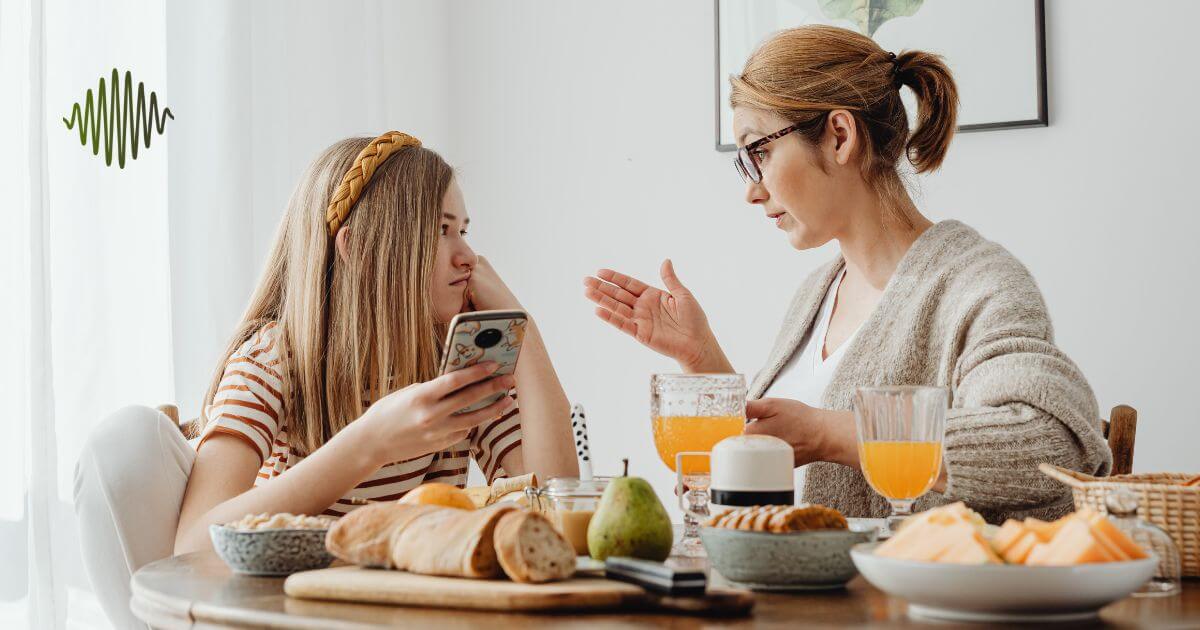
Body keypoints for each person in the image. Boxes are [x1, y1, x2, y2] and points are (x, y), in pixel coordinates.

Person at [584, 25, 1110, 524]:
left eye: (760, 151)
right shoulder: (818, 292)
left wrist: (828, 433)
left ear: (839, 136)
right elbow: (774, 455)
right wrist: (701, 358)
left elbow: (1053, 443)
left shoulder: (978, 286)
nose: (751, 188)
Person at [75, 132, 578, 628]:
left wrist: (522, 328)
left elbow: (560, 507)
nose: (467, 255)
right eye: (441, 230)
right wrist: (371, 442)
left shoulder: (451, 370)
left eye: (464, 230)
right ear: (357, 246)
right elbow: (194, 546)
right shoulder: (275, 358)